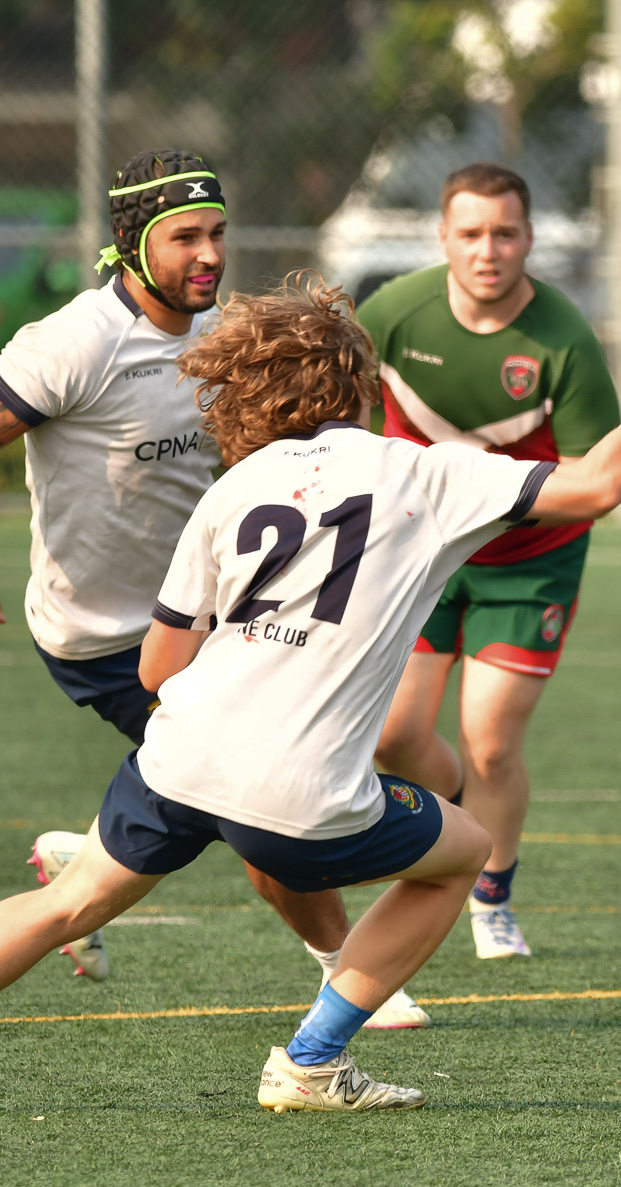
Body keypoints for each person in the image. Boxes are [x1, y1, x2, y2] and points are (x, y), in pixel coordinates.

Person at [0, 274, 621, 1109]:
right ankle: (311, 1061)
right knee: (461, 852)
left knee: (65, 906)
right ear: (361, 384)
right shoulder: (419, 475)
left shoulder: (230, 492)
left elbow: (154, 672)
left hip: (177, 757)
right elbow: (599, 485)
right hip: (300, 790)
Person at [0, 149, 423, 1027]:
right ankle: (346, 971)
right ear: (131, 244)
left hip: (210, 621)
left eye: (219, 233)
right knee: (256, 785)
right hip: (109, 636)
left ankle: (83, 855)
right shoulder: (72, 345)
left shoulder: (226, 337)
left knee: (241, 778)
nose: (209, 254)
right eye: (184, 236)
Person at [359, 163, 621, 960]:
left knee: (492, 740)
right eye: (470, 233)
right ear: (442, 237)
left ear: (529, 239)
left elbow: (592, 481)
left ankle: (492, 892)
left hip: (527, 558)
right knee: (393, 739)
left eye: (505, 233)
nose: (488, 250)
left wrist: (492, 500)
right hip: (420, 550)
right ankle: (467, 823)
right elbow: (341, 418)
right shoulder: (394, 314)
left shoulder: (563, 339)